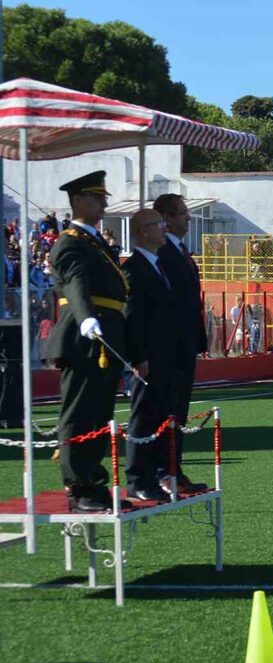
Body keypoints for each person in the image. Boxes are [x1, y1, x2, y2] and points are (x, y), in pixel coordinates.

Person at [44, 171, 128, 512]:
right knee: (79, 412)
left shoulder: (94, 241)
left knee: (99, 411)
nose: (104, 202)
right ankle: (77, 486)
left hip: (106, 333)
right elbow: (76, 282)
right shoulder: (70, 241)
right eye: (97, 197)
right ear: (79, 201)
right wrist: (86, 317)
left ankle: (93, 478)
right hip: (85, 335)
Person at [154, 193, 209, 493]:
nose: (188, 218)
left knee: (179, 411)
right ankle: (163, 471)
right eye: (182, 213)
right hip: (169, 346)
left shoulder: (179, 249)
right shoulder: (161, 252)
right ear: (166, 217)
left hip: (184, 345)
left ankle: (174, 468)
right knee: (168, 411)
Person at [123, 209, 175, 502]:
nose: (163, 227)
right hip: (148, 358)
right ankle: (137, 478)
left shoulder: (156, 264)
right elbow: (134, 317)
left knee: (157, 414)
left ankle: (153, 474)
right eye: (158, 223)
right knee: (143, 416)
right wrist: (139, 357)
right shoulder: (136, 267)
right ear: (143, 230)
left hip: (163, 355)